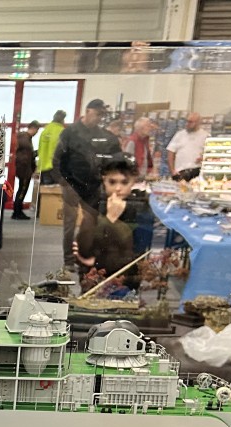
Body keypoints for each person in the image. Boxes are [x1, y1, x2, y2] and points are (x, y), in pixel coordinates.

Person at [53, 99, 123, 277]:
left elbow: (110, 157)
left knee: (90, 224)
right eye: (97, 114)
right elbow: (57, 157)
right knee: (69, 224)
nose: (99, 118)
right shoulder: (70, 132)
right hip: (71, 185)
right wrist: (62, 181)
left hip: (92, 186)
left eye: (102, 115)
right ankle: (69, 260)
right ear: (88, 111)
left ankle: (82, 257)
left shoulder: (102, 135)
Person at [74, 156, 150, 293]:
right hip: (95, 279)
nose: (118, 188)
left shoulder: (139, 209)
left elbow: (137, 252)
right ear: (104, 180)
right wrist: (110, 219)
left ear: (133, 181)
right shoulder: (95, 206)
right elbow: (84, 249)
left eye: (124, 182)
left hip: (125, 280)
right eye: (112, 182)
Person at [167, 112, 208, 180]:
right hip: (180, 171)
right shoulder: (179, 135)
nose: (187, 124)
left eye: (190, 122)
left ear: (198, 123)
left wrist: (203, 158)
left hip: (198, 171)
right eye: (187, 121)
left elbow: (209, 154)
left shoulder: (205, 135)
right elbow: (170, 152)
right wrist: (172, 171)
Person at [11, 121, 39, 219]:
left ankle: (17, 211)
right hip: (25, 169)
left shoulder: (24, 138)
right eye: (37, 130)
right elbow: (27, 157)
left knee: (21, 190)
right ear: (34, 128)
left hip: (23, 168)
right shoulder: (25, 139)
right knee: (22, 190)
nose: (36, 133)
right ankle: (17, 212)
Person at [37, 110, 66, 185]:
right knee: (53, 191)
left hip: (43, 167)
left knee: (44, 190)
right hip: (54, 168)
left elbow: (40, 148)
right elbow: (60, 151)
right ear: (62, 120)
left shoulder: (45, 130)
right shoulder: (61, 131)